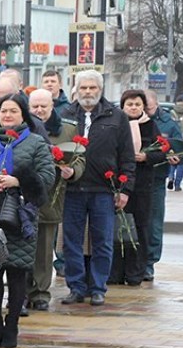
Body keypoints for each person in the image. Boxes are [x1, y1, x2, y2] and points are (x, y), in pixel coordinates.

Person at [0, 95, 54, 348]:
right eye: (3, 111)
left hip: (21, 215)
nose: (8, 115)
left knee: (16, 273)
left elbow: (47, 176)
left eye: (13, 111)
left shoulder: (35, 143)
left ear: (23, 115)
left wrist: (18, 181)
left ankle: (12, 325)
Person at [60, 70, 136, 307]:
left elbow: (127, 156)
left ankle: (98, 287)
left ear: (100, 90)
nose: (88, 92)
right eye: (83, 88)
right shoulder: (65, 114)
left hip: (104, 189)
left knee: (102, 240)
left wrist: (124, 189)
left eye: (92, 88)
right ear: (76, 90)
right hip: (72, 188)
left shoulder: (117, 116)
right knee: (71, 241)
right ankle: (76, 286)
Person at [27, 89, 84, 311]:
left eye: (44, 106)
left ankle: (40, 292)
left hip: (51, 198)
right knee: (23, 248)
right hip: (26, 195)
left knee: (43, 249)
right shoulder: (23, 127)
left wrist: (73, 171)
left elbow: (80, 158)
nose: (39, 111)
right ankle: (22, 291)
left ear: (53, 105)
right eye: (35, 107)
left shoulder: (68, 130)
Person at [109, 90, 166, 286]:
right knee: (118, 227)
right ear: (123, 106)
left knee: (140, 227)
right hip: (120, 184)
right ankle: (115, 272)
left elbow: (163, 152)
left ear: (143, 107)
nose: (133, 108)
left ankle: (136, 272)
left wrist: (147, 157)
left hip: (143, 185)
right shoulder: (115, 125)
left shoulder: (151, 126)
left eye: (137, 104)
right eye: (130, 104)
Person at [144, 90, 182, 281]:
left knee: (153, 223)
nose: (145, 111)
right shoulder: (129, 120)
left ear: (156, 104)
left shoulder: (168, 123)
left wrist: (176, 159)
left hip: (156, 180)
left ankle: (149, 263)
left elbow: (181, 147)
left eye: (148, 107)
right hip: (133, 179)